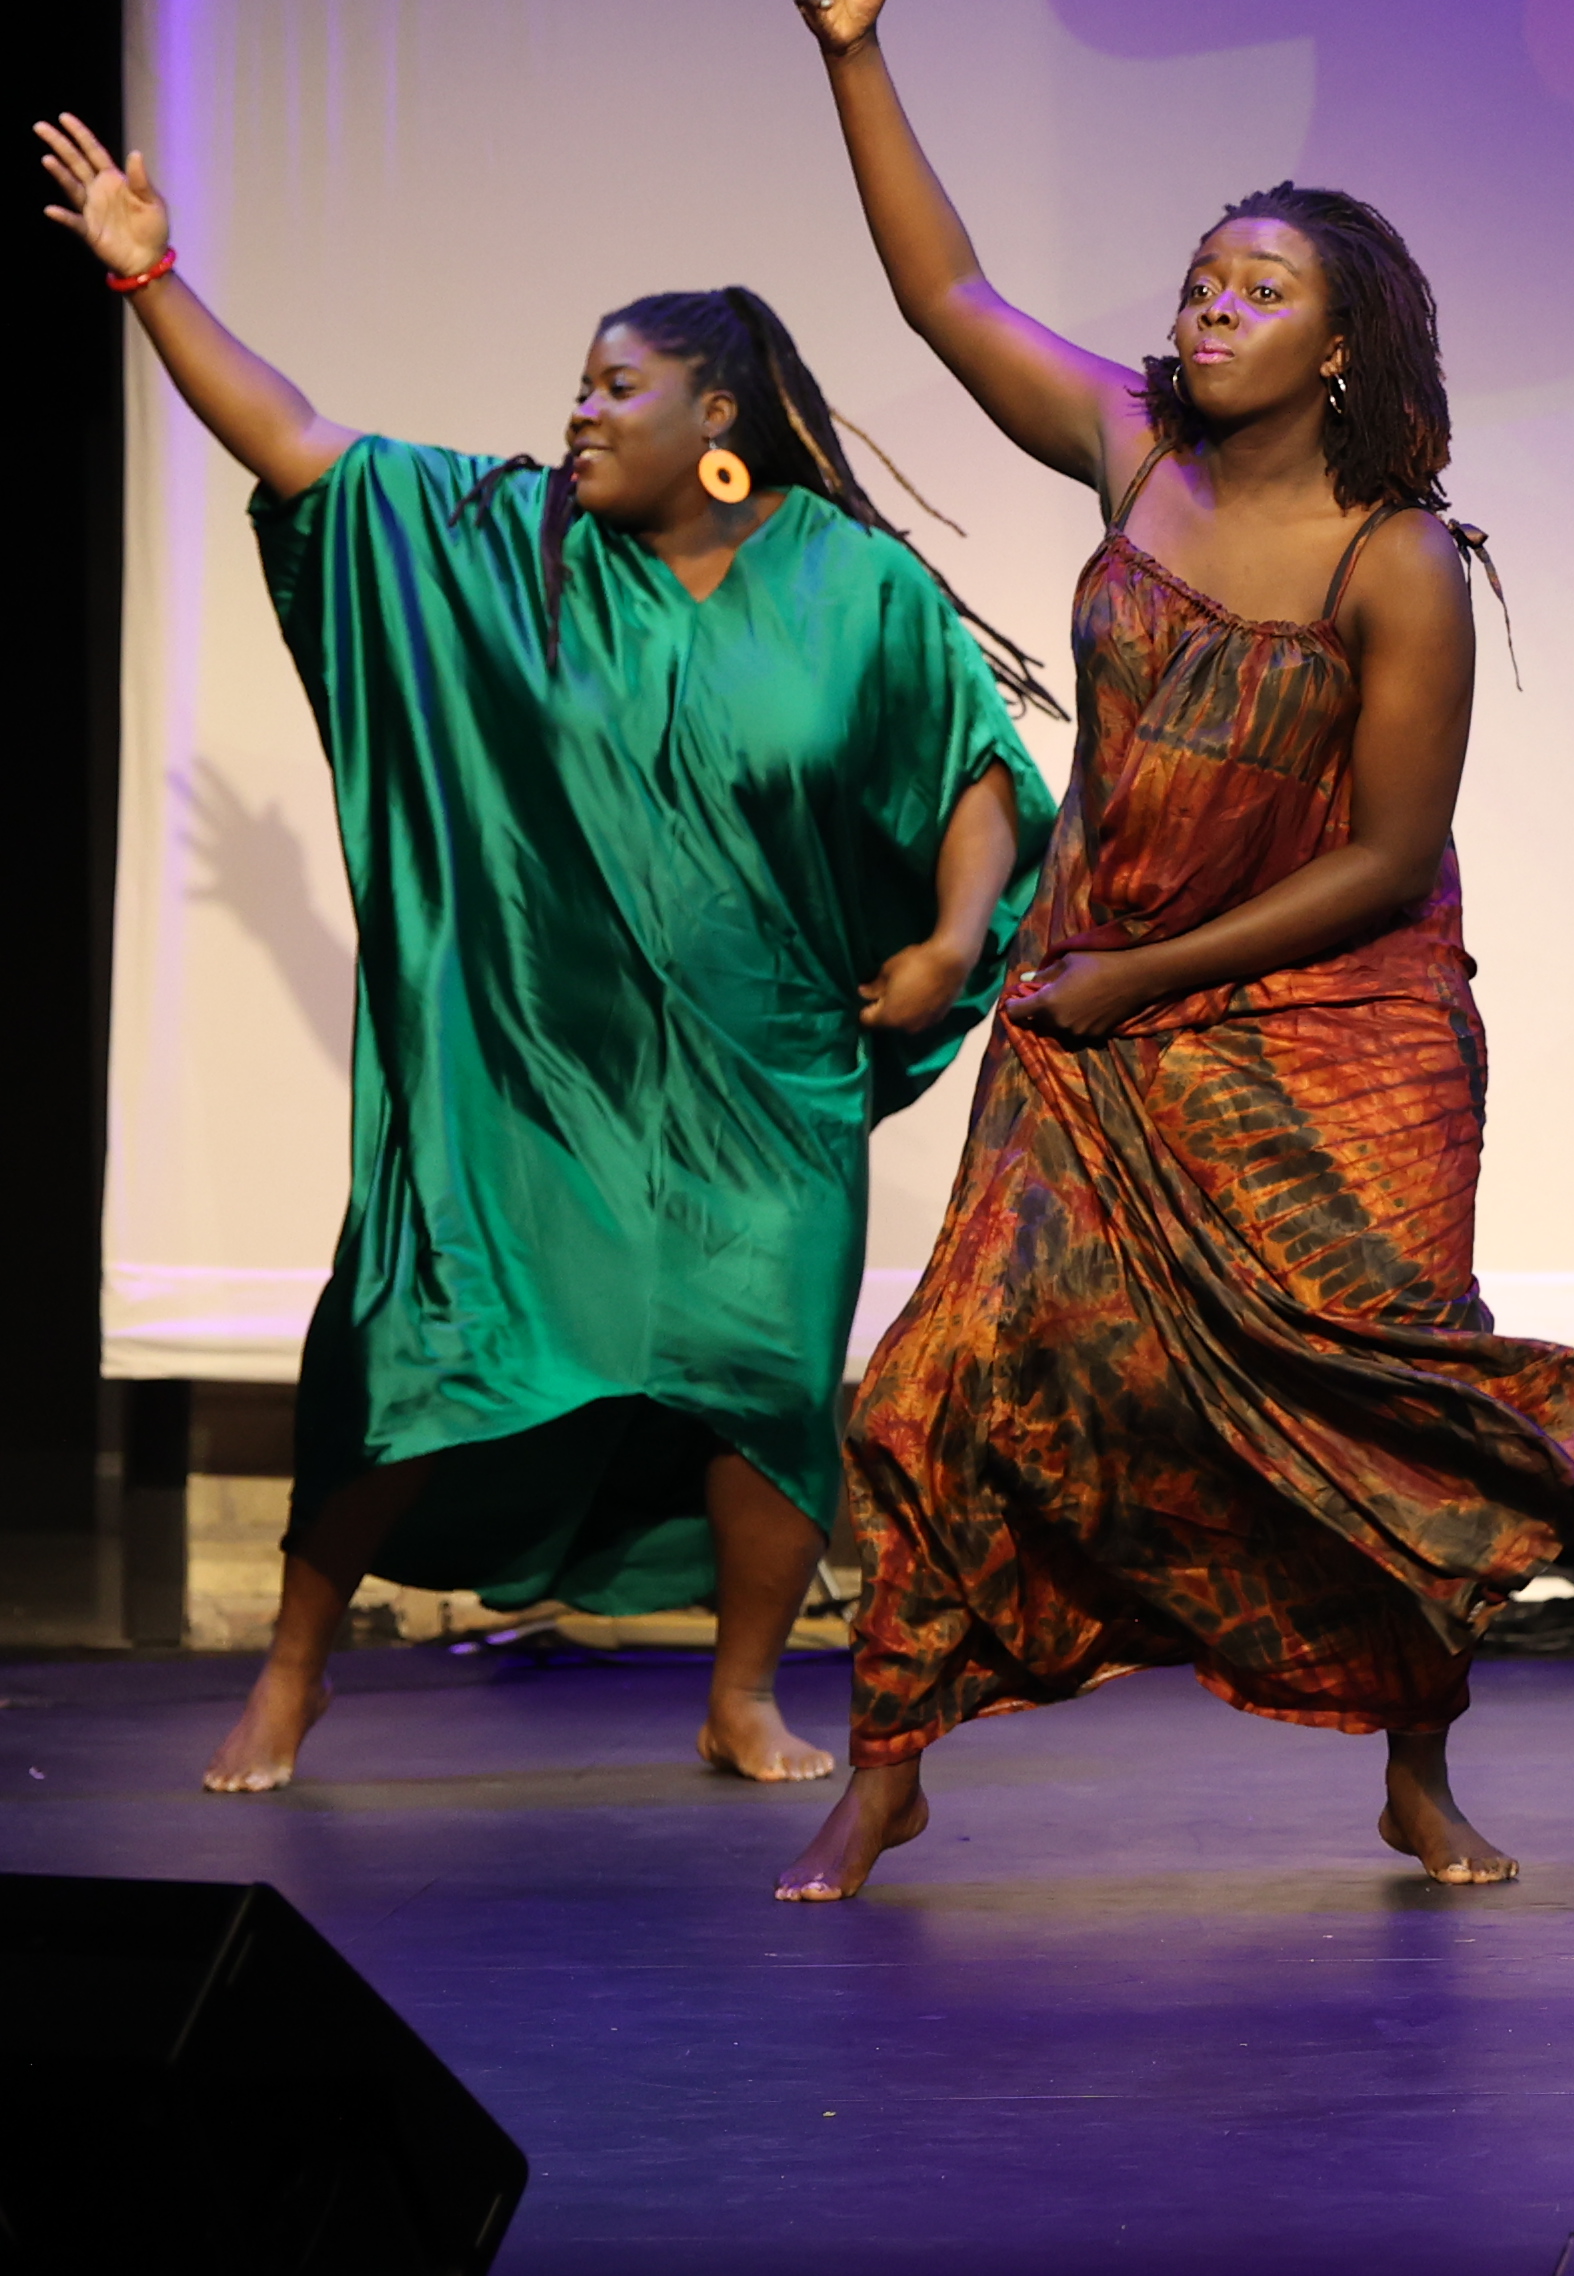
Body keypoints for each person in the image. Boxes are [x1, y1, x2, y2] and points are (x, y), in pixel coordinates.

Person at [773, 0, 1574, 1901]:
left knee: (1375, 1399)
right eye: (1200, 279)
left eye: (1259, 291)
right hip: (1100, 1013)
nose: (1209, 309)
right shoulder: (1133, 448)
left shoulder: (1398, 559)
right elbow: (945, 293)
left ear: (1342, 348)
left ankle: (1418, 1773)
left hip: (1335, 1029)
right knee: (955, 1372)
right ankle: (888, 1759)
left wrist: (1143, 973)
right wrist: (855, 54)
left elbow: (1383, 858)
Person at [36, 118, 1048, 1799]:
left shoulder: (851, 584)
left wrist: (951, 940)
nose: (579, 412)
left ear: (716, 419)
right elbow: (297, 442)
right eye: (577, 384)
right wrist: (151, 274)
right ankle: (294, 1669)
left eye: (616, 387)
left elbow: (972, 779)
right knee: (424, 1343)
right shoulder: (498, 547)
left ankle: (740, 1695)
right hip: (530, 1077)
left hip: (762, 1080)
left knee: (765, 1378)